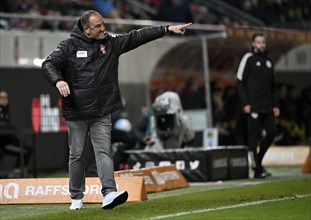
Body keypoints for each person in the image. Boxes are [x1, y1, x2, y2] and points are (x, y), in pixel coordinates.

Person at [41, 10, 191, 210]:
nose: (104, 28)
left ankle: (109, 193)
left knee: (104, 151)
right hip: (77, 112)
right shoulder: (68, 46)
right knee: (76, 155)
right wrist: (58, 80)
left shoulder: (111, 43)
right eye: (98, 26)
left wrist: (167, 29)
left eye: (103, 24)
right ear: (86, 29)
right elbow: (48, 64)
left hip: (102, 111)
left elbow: (137, 36)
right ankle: (76, 197)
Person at [236, 32, 280, 179]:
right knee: (253, 136)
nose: (261, 44)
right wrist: (246, 103)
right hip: (253, 105)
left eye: (263, 42)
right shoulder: (248, 59)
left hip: (268, 106)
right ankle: (256, 169)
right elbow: (240, 81)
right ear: (253, 44)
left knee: (272, 132)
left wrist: (275, 104)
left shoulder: (269, 61)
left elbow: (273, 86)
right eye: (258, 42)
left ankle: (258, 163)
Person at [0, 89, 32, 178]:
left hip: (9, 141)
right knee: (24, 151)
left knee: (28, 149)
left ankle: (18, 172)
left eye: (5, 97)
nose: (3, 99)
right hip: (3, 144)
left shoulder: (6, 111)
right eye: (1, 97)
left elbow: (8, 131)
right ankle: (16, 174)